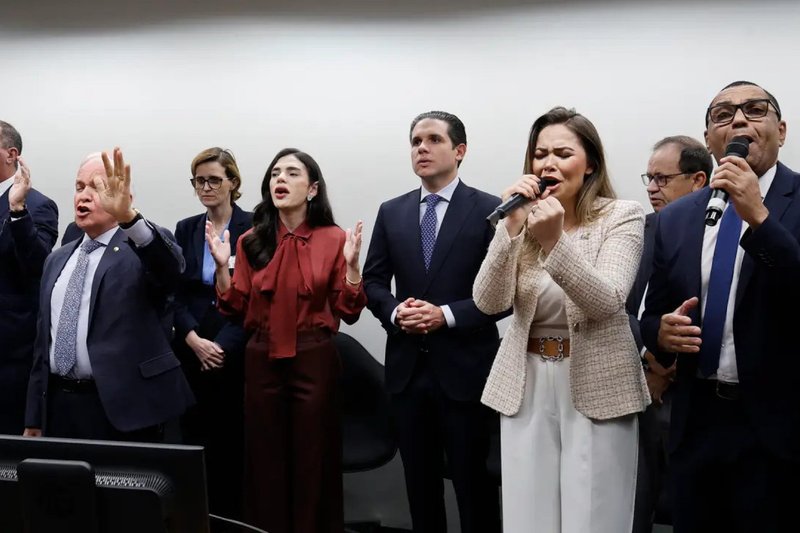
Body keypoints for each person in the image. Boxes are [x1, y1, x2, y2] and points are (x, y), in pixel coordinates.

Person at [473, 106, 650, 533]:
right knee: (526, 513)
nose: (547, 163)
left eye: (562, 153)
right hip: (526, 379)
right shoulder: (523, 218)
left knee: (594, 512)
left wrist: (554, 242)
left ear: (589, 164)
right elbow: (487, 301)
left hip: (596, 378)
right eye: (539, 154)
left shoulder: (621, 216)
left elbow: (607, 301)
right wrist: (512, 229)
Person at [641, 81, 800, 532]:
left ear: (781, 130)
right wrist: (661, 333)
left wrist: (760, 217)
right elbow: (652, 313)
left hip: (776, 426)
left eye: (755, 109)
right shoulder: (676, 217)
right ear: (710, 139)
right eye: (722, 115)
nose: (739, 121)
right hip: (697, 422)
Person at [206, 147, 366, 533]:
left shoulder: (334, 239)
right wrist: (221, 267)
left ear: (312, 189)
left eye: (292, 173)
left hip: (314, 357)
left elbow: (349, 310)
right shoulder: (250, 241)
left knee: (314, 459)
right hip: (261, 358)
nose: (280, 179)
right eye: (275, 173)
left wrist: (354, 269)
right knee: (264, 460)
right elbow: (234, 307)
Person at [363, 110, 505, 533]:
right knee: (420, 488)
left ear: (459, 151)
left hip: (465, 370)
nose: (421, 148)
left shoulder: (491, 210)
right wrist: (393, 311)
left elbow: (506, 294)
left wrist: (445, 315)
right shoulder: (392, 211)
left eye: (432, 140)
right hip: (408, 371)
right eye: (414, 141)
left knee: (473, 485)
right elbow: (372, 281)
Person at [23, 148, 194, 441]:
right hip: (60, 407)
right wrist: (34, 416)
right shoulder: (57, 260)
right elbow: (42, 344)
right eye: (79, 187)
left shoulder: (140, 248)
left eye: (97, 187)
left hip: (127, 411)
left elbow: (170, 269)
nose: (84, 195)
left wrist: (129, 219)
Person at [629, 135, 712, 533]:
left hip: (695, 391)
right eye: (649, 178)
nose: (650, 188)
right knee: (635, 499)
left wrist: (665, 366)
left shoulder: (725, 229)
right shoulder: (635, 229)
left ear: (698, 180)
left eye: (662, 179)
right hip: (634, 386)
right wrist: (649, 357)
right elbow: (619, 308)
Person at [172, 147, 252, 524]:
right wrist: (191, 338)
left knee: (231, 443)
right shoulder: (186, 228)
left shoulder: (255, 227)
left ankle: (230, 519)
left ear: (233, 183)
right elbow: (176, 293)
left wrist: (221, 347)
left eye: (214, 180)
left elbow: (257, 298)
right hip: (191, 347)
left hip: (234, 349)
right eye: (198, 181)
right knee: (193, 440)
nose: (205, 187)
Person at [0, 120, 58, 435]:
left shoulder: (38, 205)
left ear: (12, 154)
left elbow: (38, 266)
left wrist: (17, 210)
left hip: (10, 357)